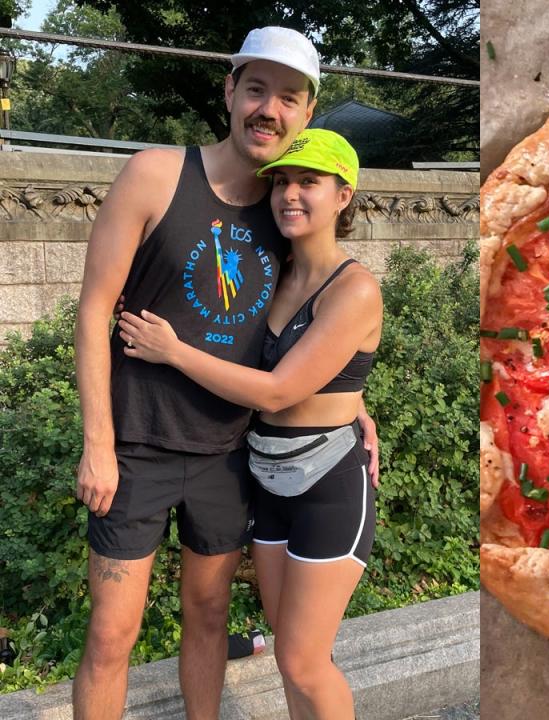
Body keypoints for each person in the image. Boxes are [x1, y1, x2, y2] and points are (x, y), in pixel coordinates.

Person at [73, 27, 378, 720]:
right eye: (257, 89)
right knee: (111, 633)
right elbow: (94, 312)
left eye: (290, 97)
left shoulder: (288, 211)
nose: (270, 108)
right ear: (230, 90)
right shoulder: (156, 175)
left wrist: (353, 405)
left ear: (306, 114)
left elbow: (318, 332)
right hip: (136, 449)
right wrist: (97, 443)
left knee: (208, 616)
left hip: (232, 456)